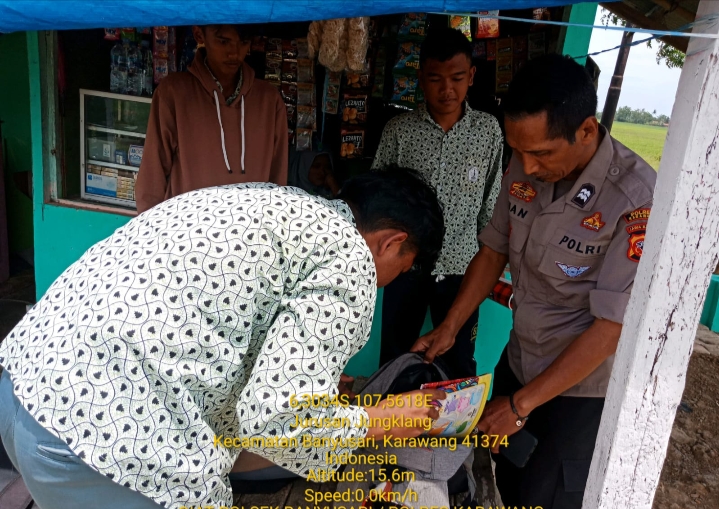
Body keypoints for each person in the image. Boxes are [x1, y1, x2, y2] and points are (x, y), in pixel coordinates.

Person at [0, 170, 446, 509]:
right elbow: (280, 423)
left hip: (23, 390)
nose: (387, 281)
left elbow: (218, 324)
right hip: (105, 440)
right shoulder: (350, 257)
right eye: (402, 269)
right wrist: (380, 419)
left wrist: (319, 386)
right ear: (391, 243)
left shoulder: (273, 201)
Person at [412, 54, 657, 508]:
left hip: (578, 390)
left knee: (548, 493)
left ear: (586, 131)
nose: (526, 166)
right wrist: (450, 327)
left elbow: (611, 328)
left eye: (541, 153)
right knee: (503, 476)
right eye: (517, 150)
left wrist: (521, 406)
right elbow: (493, 250)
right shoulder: (524, 165)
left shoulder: (635, 199)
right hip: (521, 359)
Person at [372, 27, 504, 378]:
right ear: (420, 79)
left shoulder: (488, 131)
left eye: (457, 78)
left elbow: (491, 202)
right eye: (435, 79)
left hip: (463, 268)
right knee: (396, 356)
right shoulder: (399, 131)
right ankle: (393, 412)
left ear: (471, 76)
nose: (447, 89)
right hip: (406, 265)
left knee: (459, 361)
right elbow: (379, 199)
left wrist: (490, 260)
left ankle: (452, 417)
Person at [135, 24, 288, 213]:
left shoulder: (269, 100)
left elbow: (277, 181)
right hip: (187, 226)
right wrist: (151, 226)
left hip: (250, 227)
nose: (234, 53)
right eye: (223, 41)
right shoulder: (173, 93)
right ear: (199, 34)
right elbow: (152, 177)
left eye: (243, 42)